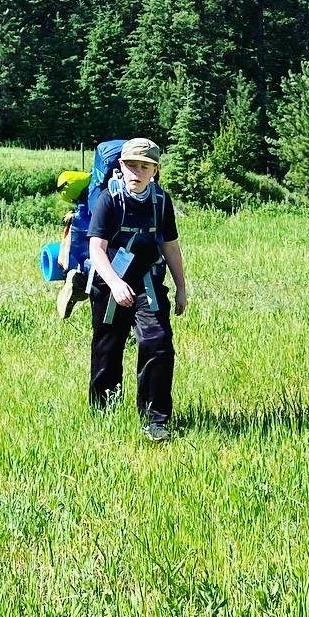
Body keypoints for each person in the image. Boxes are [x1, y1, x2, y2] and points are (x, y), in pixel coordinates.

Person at [87, 137, 188, 441]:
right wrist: (116, 284)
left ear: (155, 170)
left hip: (149, 284)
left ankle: (155, 421)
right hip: (110, 284)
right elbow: (97, 249)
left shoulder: (161, 201)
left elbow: (170, 246)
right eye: (131, 164)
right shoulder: (109, 199)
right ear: (121, 165)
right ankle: (104, 414)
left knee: (158, 343)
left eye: (144, 166)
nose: (137, 171)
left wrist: (182, 287)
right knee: (108, 347)